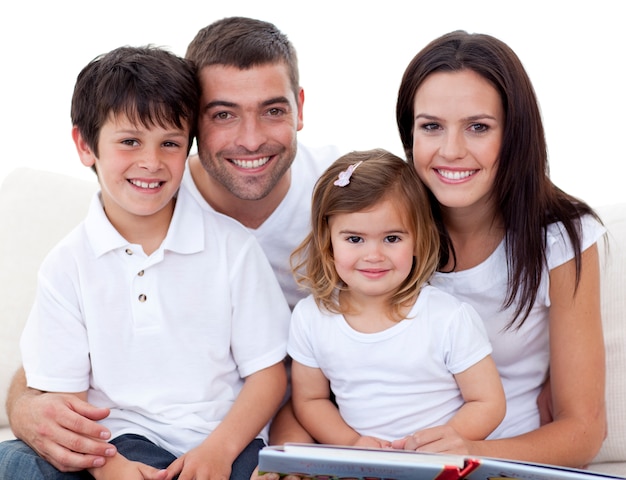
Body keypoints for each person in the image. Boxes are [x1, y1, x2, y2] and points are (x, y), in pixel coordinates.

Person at [3, 16, 339, 474]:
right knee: (17, 462)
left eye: (168, 143)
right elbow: (55, 382)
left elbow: (270, 373)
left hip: (228, 439)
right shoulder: (70, 260)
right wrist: (102, 460)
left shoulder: (339, 200)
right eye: (225, 114)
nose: (150, 162)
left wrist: (221, 451)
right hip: (124, 439)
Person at [392, 30, 606, 467]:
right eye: (431, 126)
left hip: (501, 464)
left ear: (515, 135)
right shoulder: (383, 231)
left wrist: (469, 454)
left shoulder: (562, 238)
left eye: (478, 127)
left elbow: (583, 431)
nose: (451, 151)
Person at [287, 149, 506, 447]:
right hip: (360, 467)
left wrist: (445, 442)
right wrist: (352, 443)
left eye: (392, 238)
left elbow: (487, 401)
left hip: (438, 466)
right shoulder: (310, 317)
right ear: (328, 243)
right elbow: (310, 399)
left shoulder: (448, 317)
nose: (373, 256)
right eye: (354, 239)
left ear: (418, 240)